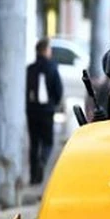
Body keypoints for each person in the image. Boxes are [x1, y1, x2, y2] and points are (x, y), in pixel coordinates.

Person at [26, 37, 64, 185]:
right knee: (48, 141)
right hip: (47, 111)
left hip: (32, 109)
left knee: (34, 143)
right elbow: (58, 90)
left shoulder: (30, 69)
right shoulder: (52, 67)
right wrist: (54, 104)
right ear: (46, 50)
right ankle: (43, 161)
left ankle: (33, 176)